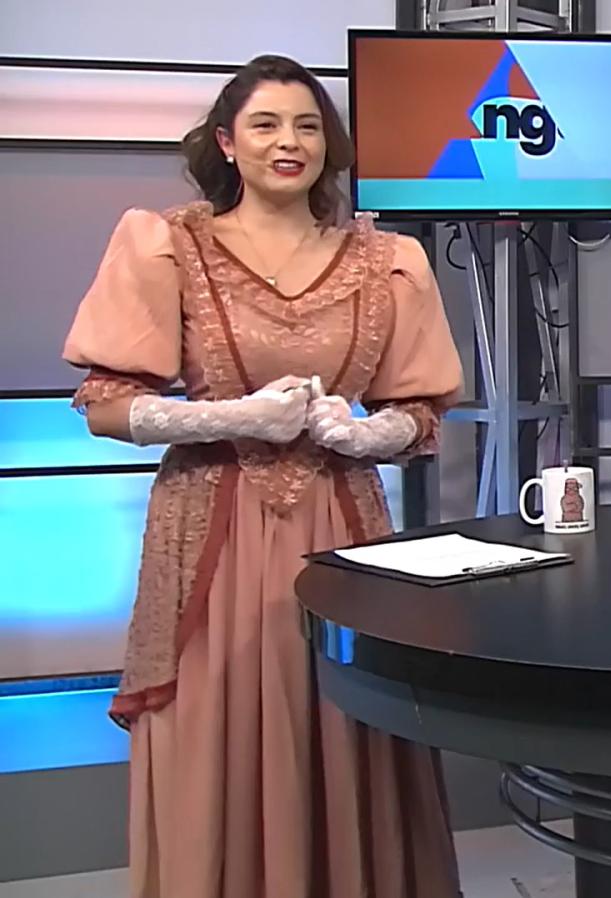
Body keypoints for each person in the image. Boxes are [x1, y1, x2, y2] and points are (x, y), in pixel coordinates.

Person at [62, 55, 464, 897]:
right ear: (226, 143)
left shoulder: (389, 259)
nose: (290, 142)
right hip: (210, 531)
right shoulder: (169, 245)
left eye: (308, 126)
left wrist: (364, 432)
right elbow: (105, 406)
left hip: (341, 526)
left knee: (345, 711)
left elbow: (420, 414)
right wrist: (232, 417)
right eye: (267, 125)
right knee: (217, 716)